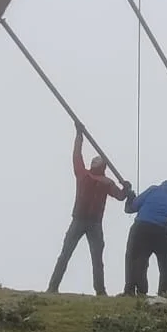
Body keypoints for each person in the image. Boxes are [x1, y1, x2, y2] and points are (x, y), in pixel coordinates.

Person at [48, 126, 130, 296]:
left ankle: (100, 291)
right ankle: (52, 287)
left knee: (97, 258)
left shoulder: (107, 182)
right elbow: (77, 155)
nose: (93, 162)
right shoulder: (83, 174)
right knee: (65, 254)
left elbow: (120, 196)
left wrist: (126, 189)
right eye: (93, 160)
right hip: (78, 220)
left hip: (94, 224)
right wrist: (79, 135)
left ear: (103, 165)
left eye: (97, 160)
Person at [123, 178, 167, 296]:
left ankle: (132, 290)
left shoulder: (153, 190)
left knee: (135, 258)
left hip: (141, 228)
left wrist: (130, 197)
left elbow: (132, 207)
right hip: (160, 232)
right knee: (165, 261)